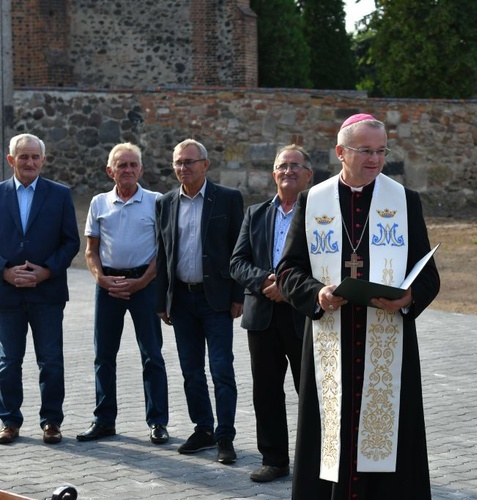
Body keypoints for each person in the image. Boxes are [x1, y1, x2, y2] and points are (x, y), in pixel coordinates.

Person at [276, 114, 441, 499]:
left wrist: (410, 296)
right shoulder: (312, 201)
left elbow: (428, 274)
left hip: (387, 344)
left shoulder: (404, 201)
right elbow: (287, 270)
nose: (375, 160)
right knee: (329, 438)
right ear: (340, 152)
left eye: (381, 151)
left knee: (390, 443)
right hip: (331, 340)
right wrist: (316, 294)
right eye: (365, 151)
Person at [155, 138, 244, 464]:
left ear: (205, 164)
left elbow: (239, 249)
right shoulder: (165, 203)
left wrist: (238, 296)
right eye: (178, 162)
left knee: (222, 370)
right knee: (191, 371)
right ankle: (203, 429)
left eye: (190, 162)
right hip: (181, 300)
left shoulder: (228, 199)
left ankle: (225, 437)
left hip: (217, 301)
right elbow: (163, 253)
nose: (183, 168)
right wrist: (161, 300)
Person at [76, 143, 169, 444]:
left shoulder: (156, 201)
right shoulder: (98, 203)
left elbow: (163, 251)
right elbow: (91, 250)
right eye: (121, 165)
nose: (127, 170)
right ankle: (104, 420)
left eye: (133, 165)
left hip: (145, 284)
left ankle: (157, 422)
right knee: (104, 356)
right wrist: (101, 279)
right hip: (109, 287)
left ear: (141, 169)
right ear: (110, 170)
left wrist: (143, 280)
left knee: (151, 355)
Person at [229, 144, 312, 483]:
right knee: (266, 391)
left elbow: (327, 264)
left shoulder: (321, 214)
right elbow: (236, 262)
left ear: (309, 174)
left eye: (295, 165)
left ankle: (315, 460)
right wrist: (265, 279)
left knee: (309, 391)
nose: (288, 171)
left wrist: (290, 286)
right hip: (261, 314)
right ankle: (274, 459)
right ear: (273, 173)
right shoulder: (256, 213)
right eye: (282, 165)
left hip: (303, 313)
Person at [0, 133, 80, 445]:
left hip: (47, 294)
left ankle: (51, 421)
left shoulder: (59, 194)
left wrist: (47, 270)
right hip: (7, 294)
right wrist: (5, 271)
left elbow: (70, 241)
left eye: (35, 157)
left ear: (43, 160)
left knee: (50, 360)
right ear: (11, 160)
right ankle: (9, 421)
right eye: (24, 157)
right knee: (8, 361)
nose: (30, 162)